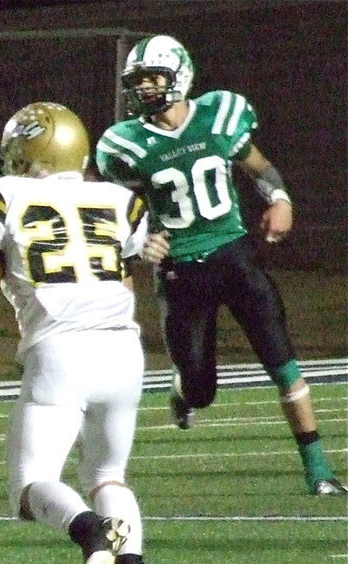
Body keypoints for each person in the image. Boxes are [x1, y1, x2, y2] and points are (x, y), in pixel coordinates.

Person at [96, 35, 344, 497]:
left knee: (283, 364)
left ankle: (320, 471)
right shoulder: (125, 144)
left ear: (180, 76)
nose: (145, 88)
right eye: (138, 80)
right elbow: (113, 208)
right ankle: (183, 391)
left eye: (153, 78)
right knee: (200, 389)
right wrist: (140, 240)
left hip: (235, 255)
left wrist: (281, 198)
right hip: (181, 270)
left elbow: (259, 167)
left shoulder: (219, 115)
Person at [0, 101, 169, 564]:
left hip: (60, 352)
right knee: (108, 475)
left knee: (30, 485)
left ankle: (91, 532)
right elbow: (124, 280)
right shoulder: (118, 200)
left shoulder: (2, 198)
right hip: (122, 351)